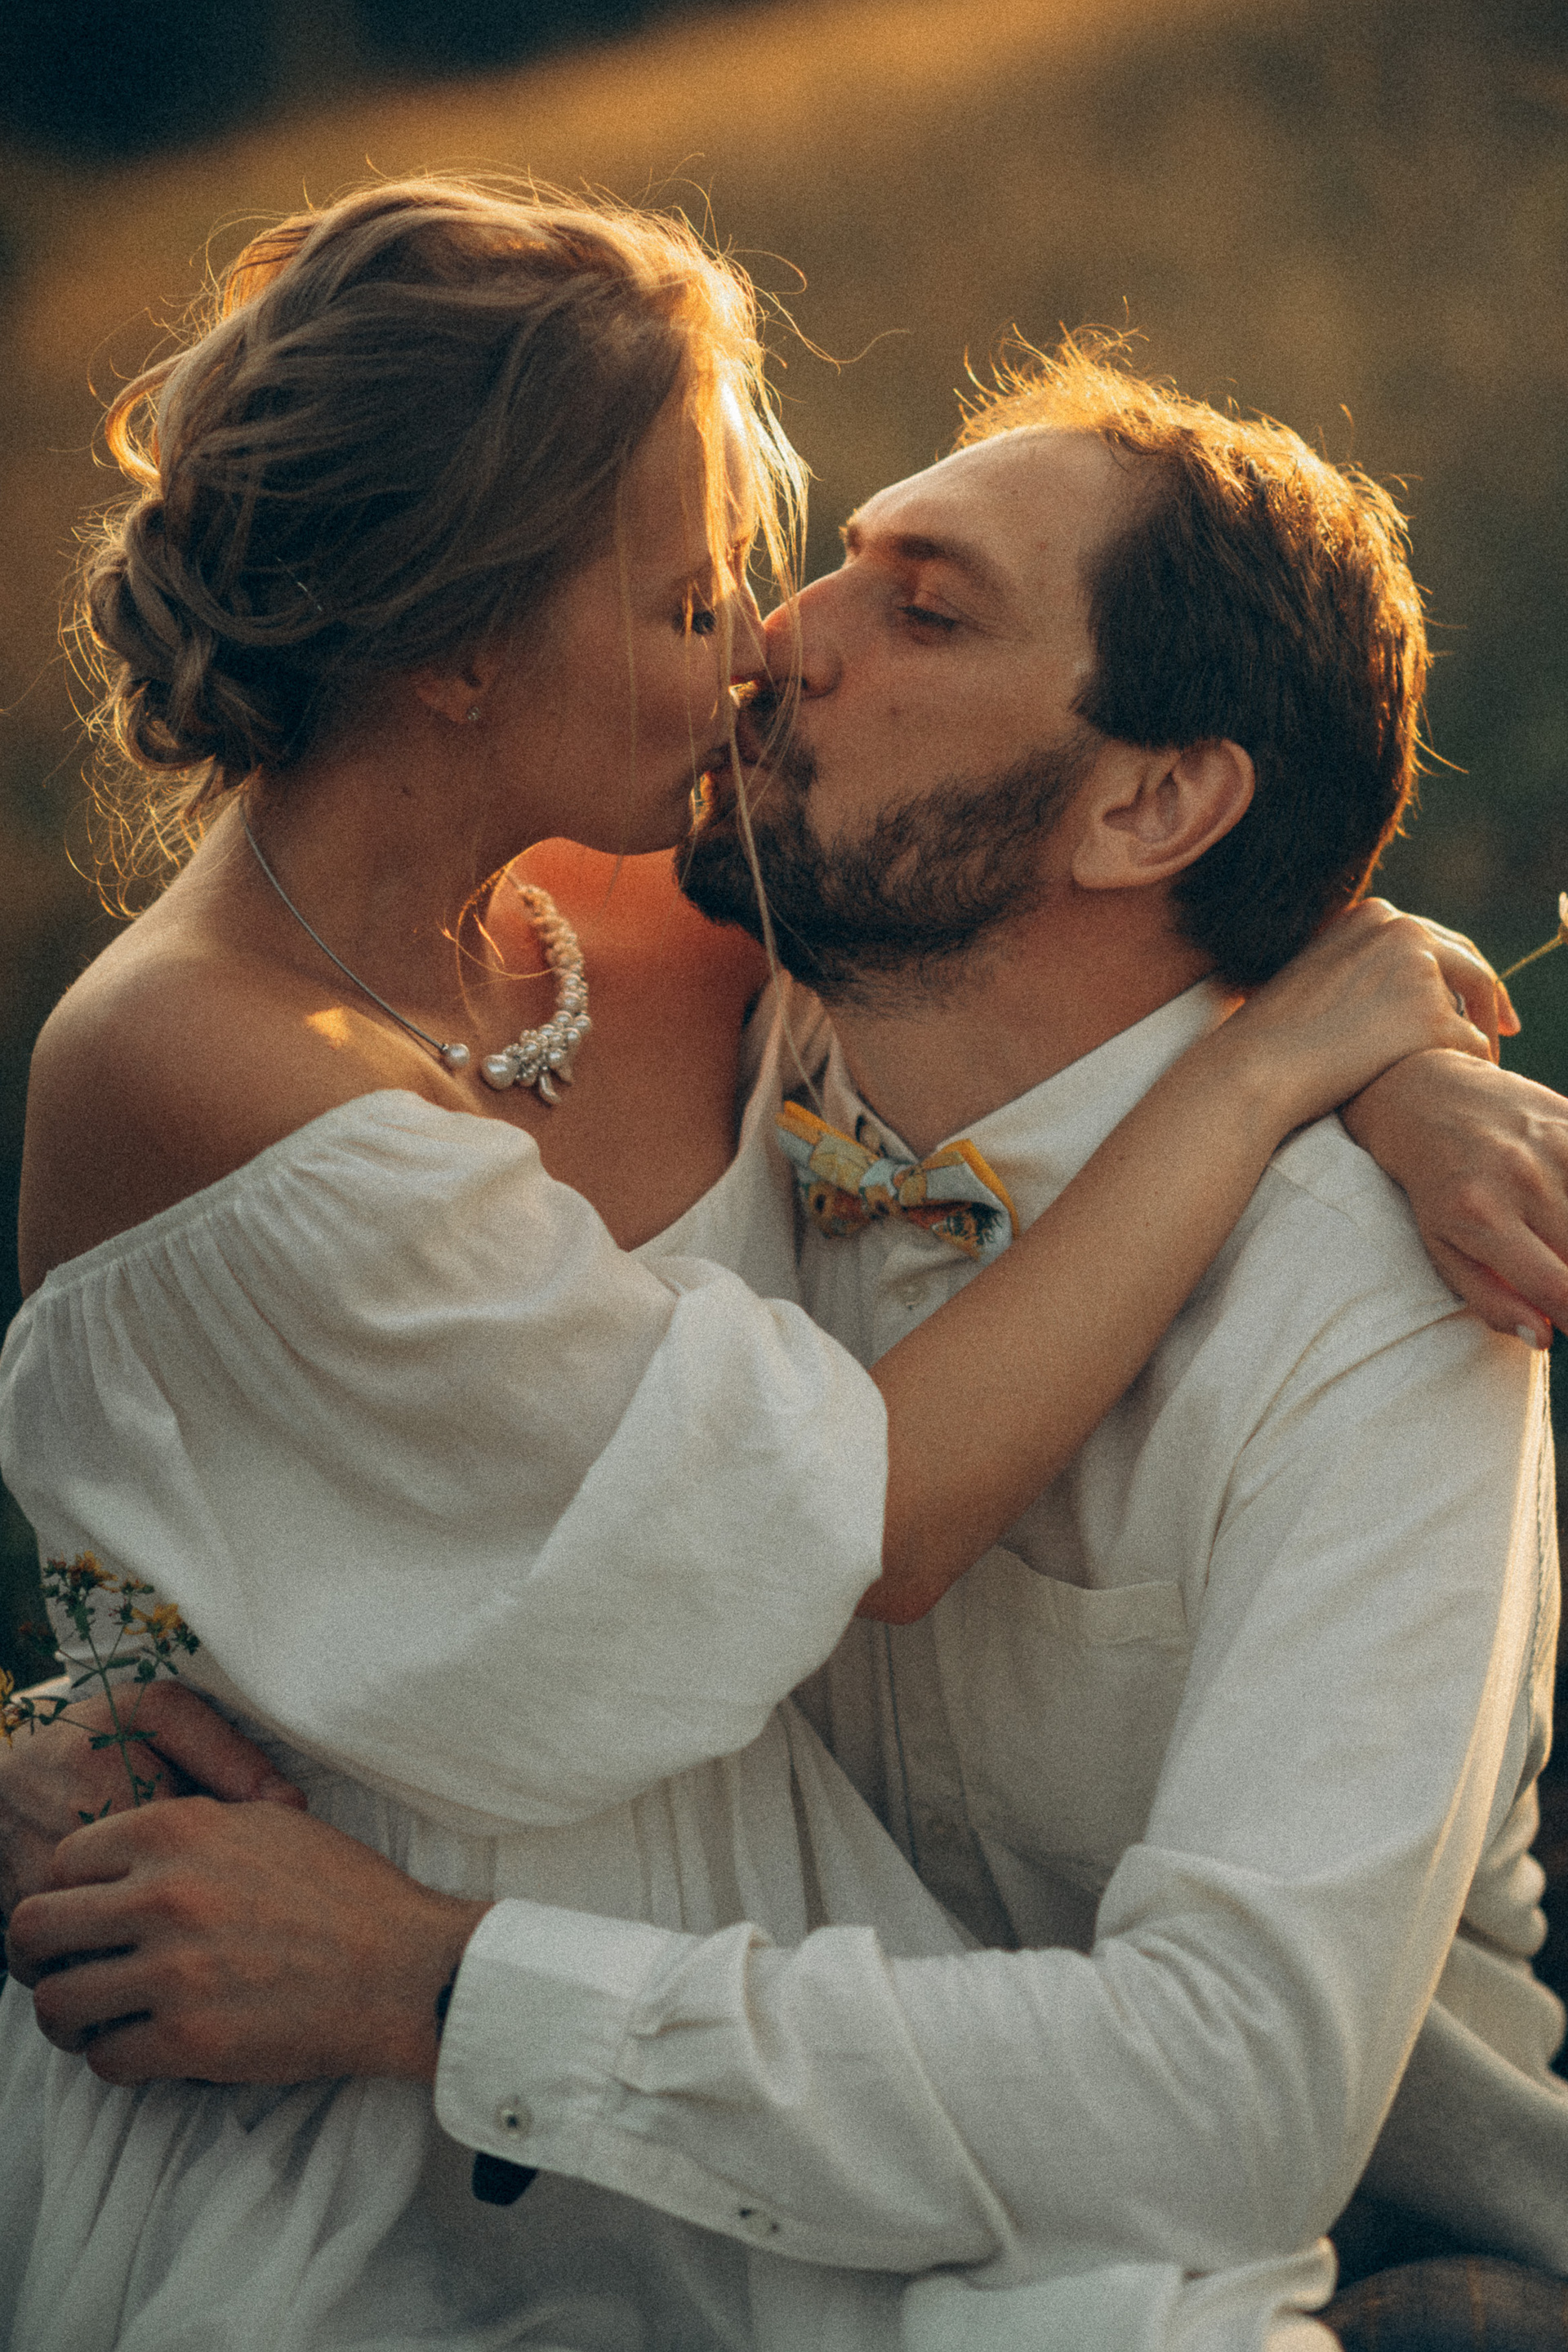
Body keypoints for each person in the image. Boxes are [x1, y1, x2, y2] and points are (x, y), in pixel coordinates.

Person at [11, 323, 1567, 2352]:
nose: (773, 636)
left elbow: (1232, 2114)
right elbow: (269, 1408)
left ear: (1154, 803)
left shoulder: (1380, 1307)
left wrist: (440, 1983)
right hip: (708, 2217)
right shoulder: (676, 1040)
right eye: (831, 562)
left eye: (922, 609)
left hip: (1346, 2260)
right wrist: (83, 1734)